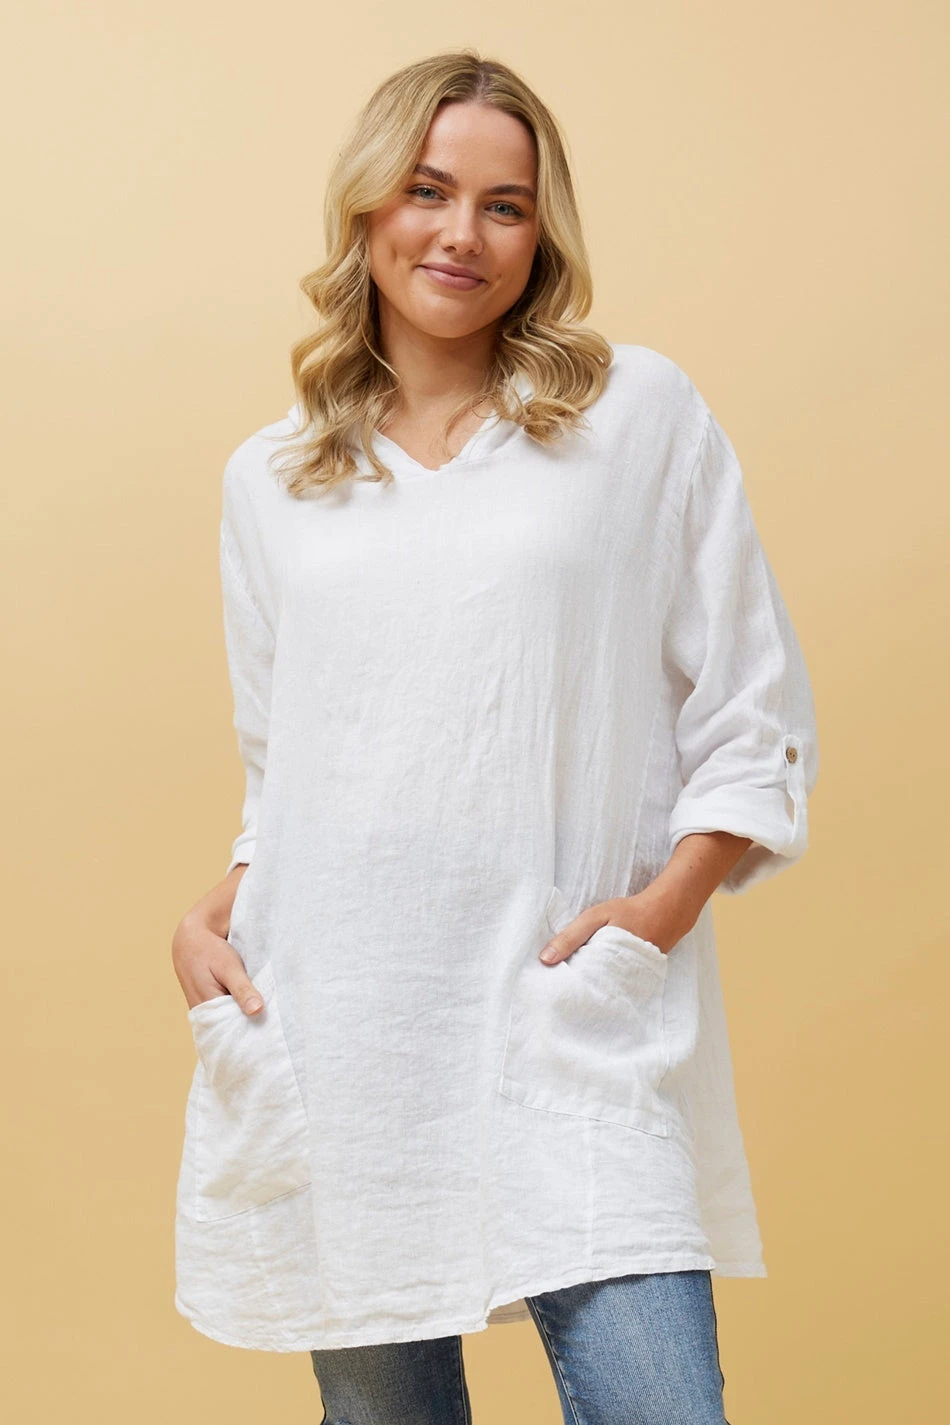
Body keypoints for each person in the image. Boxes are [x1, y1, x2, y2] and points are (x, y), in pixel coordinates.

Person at [171, 49, 819, 1425]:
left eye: (504, 205)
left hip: (559, 1019)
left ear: (542, 232)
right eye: (426, 191)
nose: (460, 234)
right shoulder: (273, 478)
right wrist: (216, 915)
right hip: (346, 1027)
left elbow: (750, 708)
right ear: (367, 207)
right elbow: (286, 769)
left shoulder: (635, 415)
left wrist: (657, 912)